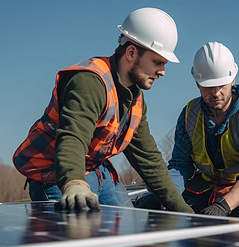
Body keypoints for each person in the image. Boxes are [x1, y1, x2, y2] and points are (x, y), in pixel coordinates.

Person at [13, 8, 193, 213]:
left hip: (96, 170)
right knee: (80, 231)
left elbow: (148, 159)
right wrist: (74, 183)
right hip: (56, 171)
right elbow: (73, 137)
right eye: (158, 62)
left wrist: (185, 212)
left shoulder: (136, 100)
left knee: (122, 228)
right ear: (131, 53)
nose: (162, 72)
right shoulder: (90, 82)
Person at [142, 42, 239, 221]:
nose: (216, 93)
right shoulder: (189, 115)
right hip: (208, 186)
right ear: (197, 83)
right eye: (209, 86)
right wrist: (168, 196)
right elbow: (180, 165)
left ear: (232, 79)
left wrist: (223, 205)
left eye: (221, 85)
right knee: (164, 208)